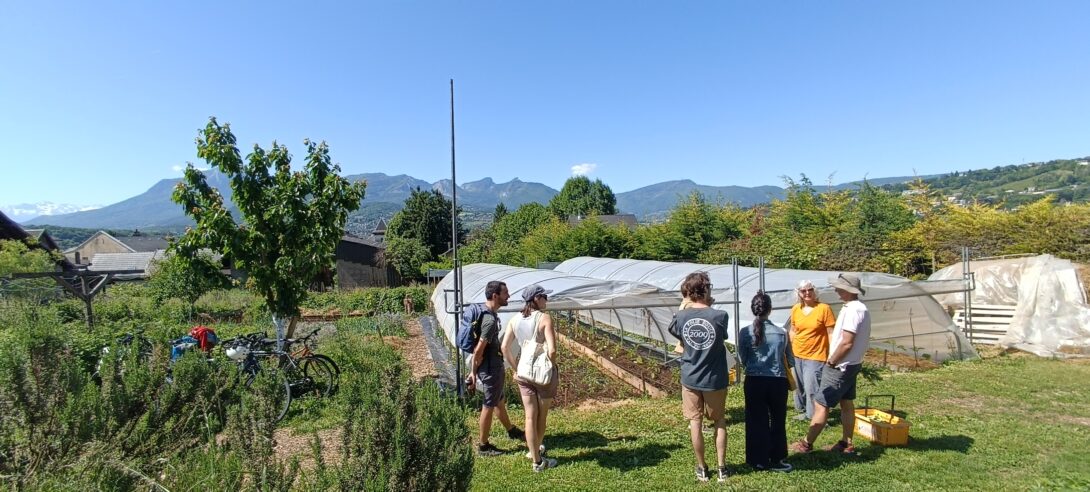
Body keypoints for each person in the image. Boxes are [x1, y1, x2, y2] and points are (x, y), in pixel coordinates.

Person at [791, 273, 871, 454]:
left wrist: (832, 360)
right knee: (846, 402)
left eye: (839, 287)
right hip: (852, 364)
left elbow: (847, 342)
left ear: (848, 289)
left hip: (840, 365)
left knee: (821, 404)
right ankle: (846, 443)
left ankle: (806, 444)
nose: (836, 290)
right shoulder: (859, 308)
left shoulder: (852, 311)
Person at [668, 272, 731, 483]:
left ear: (688, 292)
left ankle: (702, 467)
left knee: (695, 422)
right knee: (719, 421)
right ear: (706, 290)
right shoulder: (720, 316)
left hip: (691, 377)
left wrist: (687, 306)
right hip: (714, 378)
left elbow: (676, 331)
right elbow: (721, 337)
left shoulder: (681, 317)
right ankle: (722, 468)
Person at [501, 284, 559, 472]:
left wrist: (516, 368)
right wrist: (550, 366)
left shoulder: (515, 319)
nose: (546, 300)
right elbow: (552, 350)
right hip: (542, 374)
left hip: (524, 372)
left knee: (529, 416)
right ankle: (538, 457)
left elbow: (504, 347)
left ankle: (535, 455)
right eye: (544, 296)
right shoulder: (544, 318)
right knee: (542, 415)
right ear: (536, 299)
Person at [466, 280, 525, 456]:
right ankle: (483, 446)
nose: (509, 296)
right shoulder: (489, 320)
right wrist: (473, 373)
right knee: (488, 405)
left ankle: (511, 430)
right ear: (495, 295)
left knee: (498, 400)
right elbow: (479, 350)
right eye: (505, 293)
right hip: (490, 369)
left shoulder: (488, 313)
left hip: (491, 367)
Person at [738, 291, 794, 472]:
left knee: (755, 420)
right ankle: (777, 458)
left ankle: (757, 460)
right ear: (770, 309)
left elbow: (743, 358)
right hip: (777, 381)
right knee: (778, 420)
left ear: (753, 309)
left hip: (754, 381)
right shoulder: (782, 333)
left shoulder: (744, 332)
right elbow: (790, 360)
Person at [786, 280, 836, 421]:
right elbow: (793, 330)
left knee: (812, 387)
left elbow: (831, 333)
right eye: (803, 291)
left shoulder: (824, 309)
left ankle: (814, 416)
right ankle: (802, 410)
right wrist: (787, 349)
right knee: (798, 385)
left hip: (816, 355)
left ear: (815, 291)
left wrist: (832, 352)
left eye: (810, 290)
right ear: (799, 293)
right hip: (797, 353)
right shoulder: (796, 309)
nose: (807, 293)